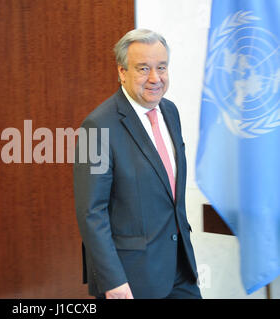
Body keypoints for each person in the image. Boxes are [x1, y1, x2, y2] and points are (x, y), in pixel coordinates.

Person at [73, 29, 201, 299]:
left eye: (161, 67)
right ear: (122, 71)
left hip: (180, 269)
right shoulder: (96, 127)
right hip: (132, 279)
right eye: (143, 68)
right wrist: (113, 280)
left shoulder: (170, 111)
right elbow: (91, 213)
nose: (155, 78)